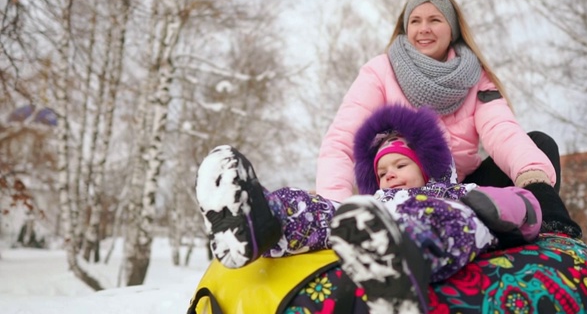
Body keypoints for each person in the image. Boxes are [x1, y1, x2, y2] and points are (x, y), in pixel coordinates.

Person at [195, 104, 542, 313]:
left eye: (399, 166)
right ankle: (262, 220)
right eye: (382, 172)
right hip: (374, 223)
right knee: (323, 210)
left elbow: (520, 205)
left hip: (427, 224)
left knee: (455, 219)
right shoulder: (375, 201)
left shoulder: (452, 192)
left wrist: (506, 206)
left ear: (425, 166)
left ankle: (400, 265)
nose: (389, 174)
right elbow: (337, 211)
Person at [315, 0, 582, 239]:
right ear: (405, 28)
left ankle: (547, 229)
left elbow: (503, 132)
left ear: (452, 29)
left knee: (539, 144)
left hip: (460, 193)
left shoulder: (475, 76)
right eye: (415, 21)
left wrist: (535, 182)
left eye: (435, 20)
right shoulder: (381, 72)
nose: (424, 29)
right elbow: (341, 142)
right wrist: (334, 210)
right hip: (404, 194)